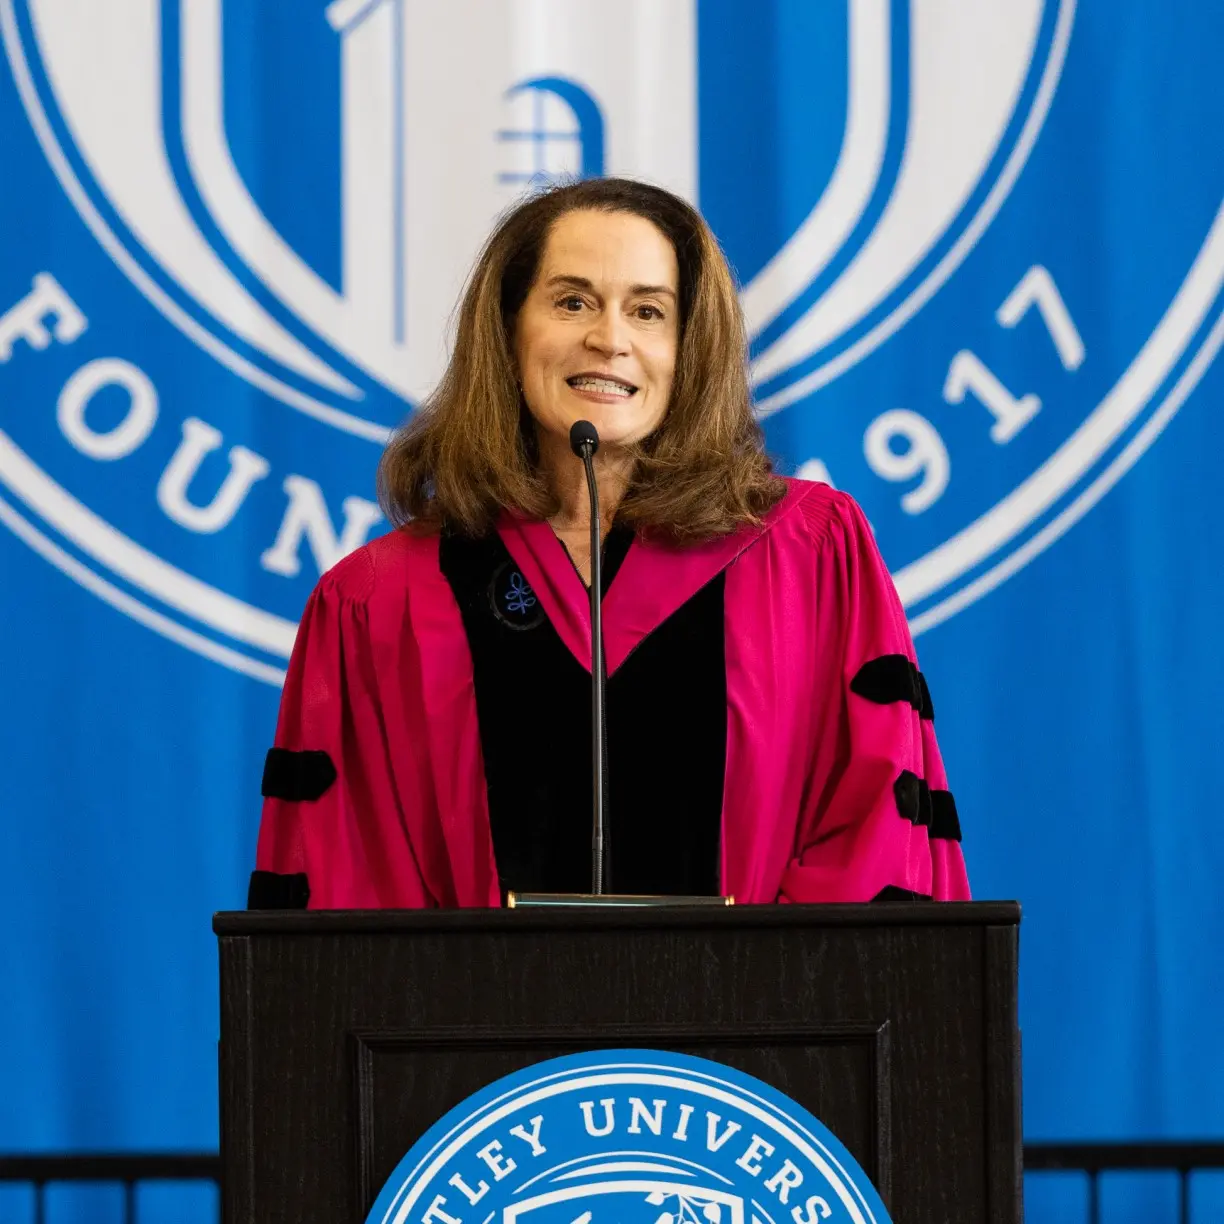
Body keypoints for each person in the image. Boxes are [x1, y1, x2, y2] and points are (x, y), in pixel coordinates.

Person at [249, 177, 970, 910]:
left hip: (761, 1022)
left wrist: (760, 1006)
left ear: (690, 348)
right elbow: (349, 887)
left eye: (649, 311)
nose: (611, 338)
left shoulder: (807, 555)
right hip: (473, 1023)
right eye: (572, 301)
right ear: (506, 328)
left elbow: (874, 830)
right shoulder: (379, 601)